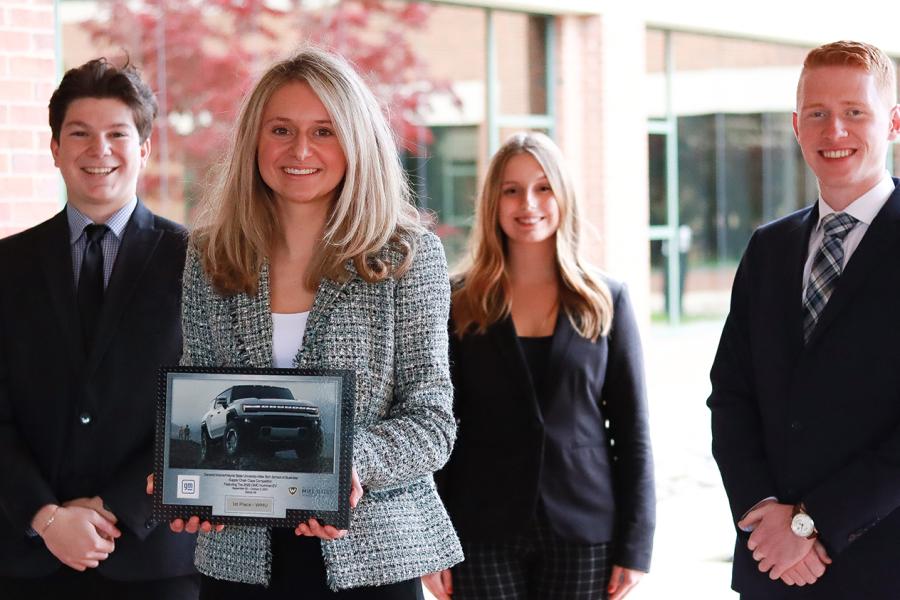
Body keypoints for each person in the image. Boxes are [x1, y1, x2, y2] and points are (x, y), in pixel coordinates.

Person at [176, 48, 463, 598]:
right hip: (240, 559)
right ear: (254, 142)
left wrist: (342, 464)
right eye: (280, 129)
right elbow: (197, 389)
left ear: (356, 140)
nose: (300, 150)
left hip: (370, 555)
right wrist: (184, 473)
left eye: (324, 131)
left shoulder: (407, 255)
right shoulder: (210, 256)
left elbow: (432, 422)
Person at [425, 132, 655, 600]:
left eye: (542, 187)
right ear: (493, 201)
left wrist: (637, 545)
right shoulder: (456, 301)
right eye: (511, 189)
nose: (527, 203)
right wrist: (430, 541)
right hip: (478, 527)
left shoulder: (605, 300)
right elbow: (435, 426)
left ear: (562, 196)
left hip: (584, 526)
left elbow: (632, 433)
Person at [708, 40, 900, 599]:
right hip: (771, 570)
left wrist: (812, 525)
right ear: (796, 126)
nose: (833, 130)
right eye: (817, 113)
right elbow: (731, 396)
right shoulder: (768, 249)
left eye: (854, 112)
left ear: (891, 123)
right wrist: (763, 512)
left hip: (882, 568)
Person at [0, 58, 197, 598]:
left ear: (145, 149)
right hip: (25, 558)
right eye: (80, 134)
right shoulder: (7, 266)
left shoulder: (198, 264)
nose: (99, 150)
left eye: (117, 134)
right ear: (55, 149)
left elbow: (204, 410)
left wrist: (115, 508)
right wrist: (44, 516)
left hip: (154, 559)